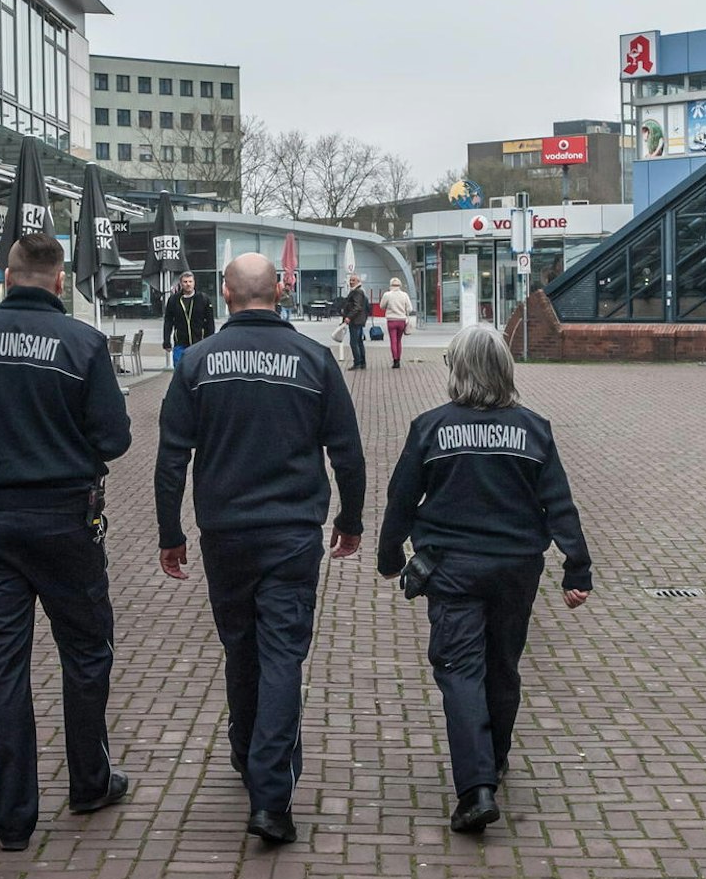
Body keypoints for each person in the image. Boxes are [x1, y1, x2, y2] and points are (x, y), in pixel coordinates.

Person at [0, 232, 134, 852]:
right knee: (87, 654)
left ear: (5, 277)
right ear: (59, 280)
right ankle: (90, 781)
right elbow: (115, 439)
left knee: (3, 665)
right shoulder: (83, 343)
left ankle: (12, 814)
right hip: (66, 520)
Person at [155, 253, 367, 846]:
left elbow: (173, 456)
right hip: (292, 531)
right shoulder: (315, 361)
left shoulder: (196, 363)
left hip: (224, 531)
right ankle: (270, 796)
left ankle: (248, 753)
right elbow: (347, 453)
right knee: (281, 654)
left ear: (225, 294)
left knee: (241, 646)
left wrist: (170, 531)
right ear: (279, 290)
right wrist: (350, 519)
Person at [376, 324, 594, 835]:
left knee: (460, 669)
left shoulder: (431, 428)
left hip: (451, 569)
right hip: (516, 568)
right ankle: (493, 758)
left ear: (458, 372)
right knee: (502, 665)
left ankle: (475, 790)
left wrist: (390, 556)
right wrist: (576, 567)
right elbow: (558, 503)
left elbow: (401, 500)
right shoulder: (534, 429)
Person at [161, 271, 217, 368]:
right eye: (185, 282)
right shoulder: (173, 300)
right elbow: (168, 321)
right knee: (179, 371)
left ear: (194, 282)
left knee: (198, 371)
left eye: (190, 281)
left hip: (199, 342)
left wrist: (210, 341)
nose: (188, 284)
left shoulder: (203, 299)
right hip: (180, 343)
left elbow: (210, 322)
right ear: (181, 283)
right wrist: (166, 341)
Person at [380, 277, 416, 368]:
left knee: (393, 341)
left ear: (391, 285)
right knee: (399, 341)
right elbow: (410, 309)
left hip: (391, 320)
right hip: (401, 321)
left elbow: (382, 306)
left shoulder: (387, 295)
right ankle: (399, 359)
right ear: (400, 285)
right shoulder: (404, 295)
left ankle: (395, 360)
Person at [340, 274, 371, 370]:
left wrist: (349, 317)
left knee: (354, 342)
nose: (351, 282)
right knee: (359, 341)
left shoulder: (357, 292)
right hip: (359, 321)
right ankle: (362, 362)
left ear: (358, 281)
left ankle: (357, 362)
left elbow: (357, 307)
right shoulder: (359, 292)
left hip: (355, 321)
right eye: (350, 280)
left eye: (353, 280)